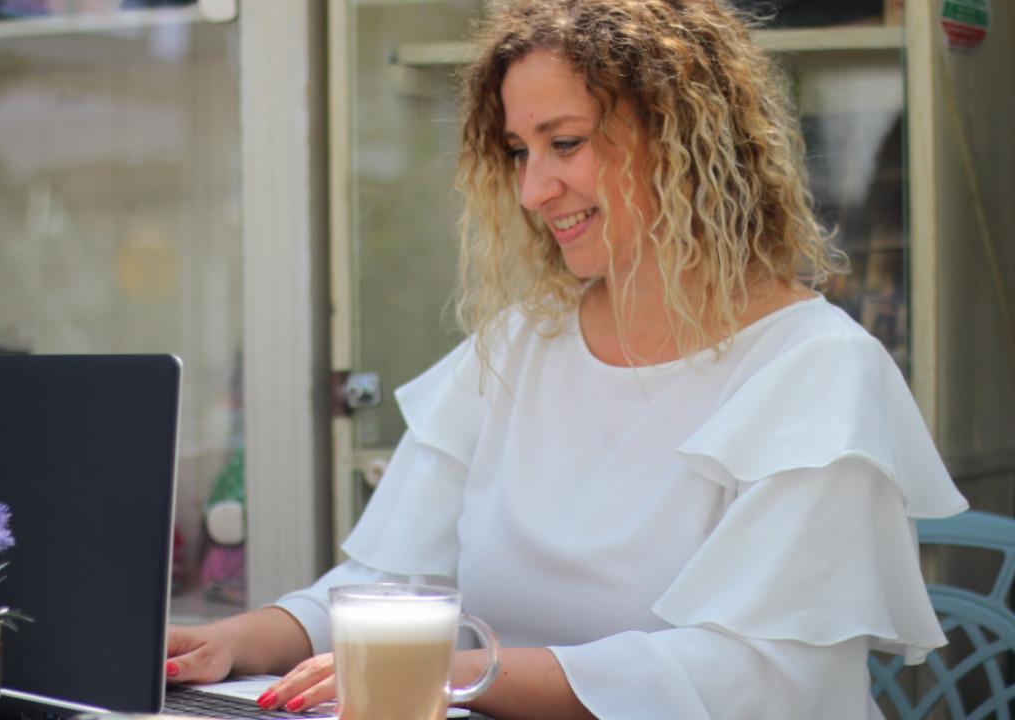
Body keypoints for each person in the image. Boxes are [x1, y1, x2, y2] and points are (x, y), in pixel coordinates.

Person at [166, 1, 968, 717]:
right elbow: (389, 584)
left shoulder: (818, 369)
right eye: (519, 151)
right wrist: (235, 640)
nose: (533, 190)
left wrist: (460, 673)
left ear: (685, 140)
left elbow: (751, 678)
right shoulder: (522, 343)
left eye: (566, 143)